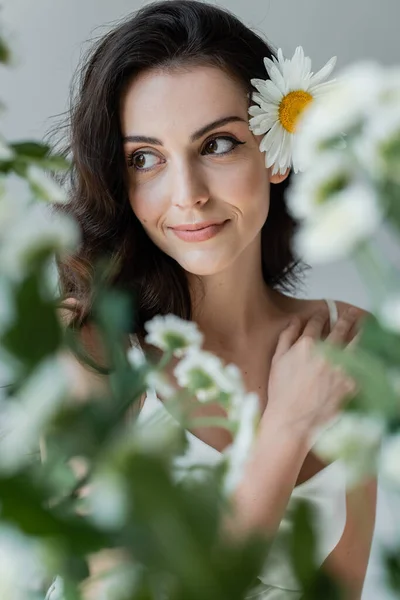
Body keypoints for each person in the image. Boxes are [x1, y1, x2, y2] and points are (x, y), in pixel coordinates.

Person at [54, 1, 377, 598]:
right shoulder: (91, 348)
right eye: (144, 159)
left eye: (217, 145)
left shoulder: (350, 342)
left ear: (276, 149)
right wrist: (286, 430)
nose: (187, 195)